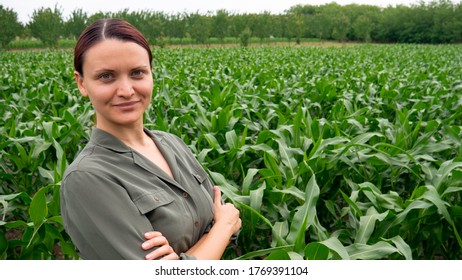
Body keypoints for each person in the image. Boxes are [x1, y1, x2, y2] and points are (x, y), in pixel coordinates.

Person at [60, 18, 241, 260]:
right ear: (81, 83)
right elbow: (225, 221)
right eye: (106, 76)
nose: (126, 90)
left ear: (151, 74)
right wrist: (223, 228)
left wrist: (184, 258)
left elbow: (222, 219)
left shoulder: (171, 143)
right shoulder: (87, 179)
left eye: (137, 73)